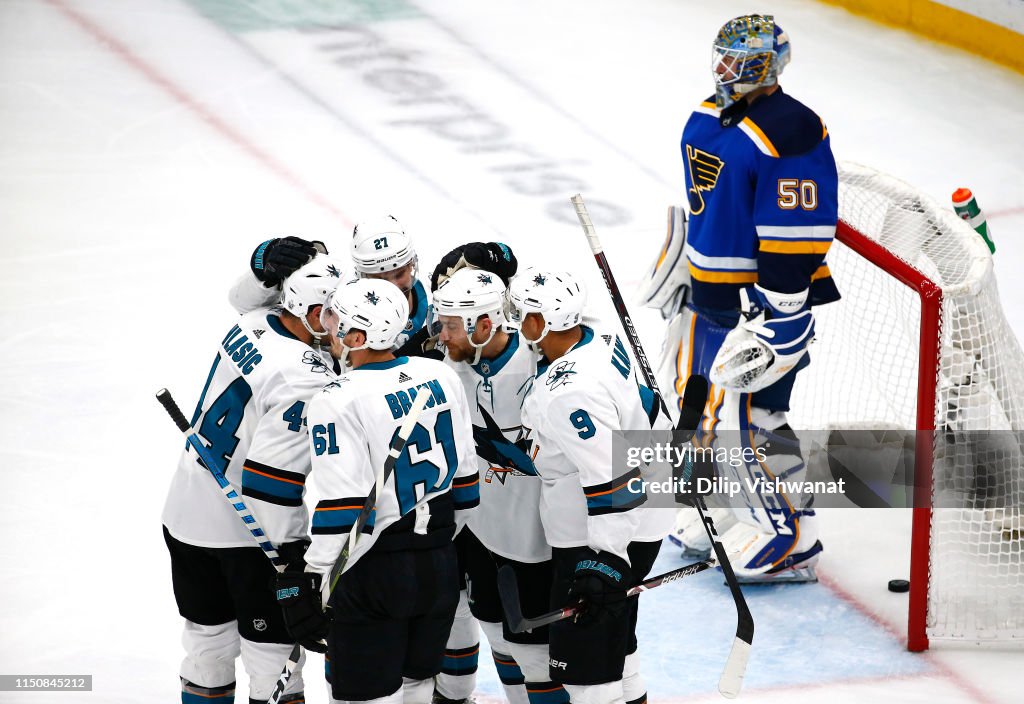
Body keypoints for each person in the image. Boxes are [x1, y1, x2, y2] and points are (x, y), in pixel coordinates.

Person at [638, 14, 839, 580]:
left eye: (741, 61)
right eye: (721, 57)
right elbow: (708, 206)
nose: (727, 71)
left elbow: (798, 229)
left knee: (755, 418)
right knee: (701, 407)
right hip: (710, 295)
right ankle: (733, 509)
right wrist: (686, 263)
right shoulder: (708, 114)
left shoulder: (793, 130)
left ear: (771, 65)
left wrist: (783, 307)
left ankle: (791, 533)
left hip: (762, 301)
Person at [272, 277, 481, 704]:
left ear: (358, 335)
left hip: (373, 574)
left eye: (337, 323)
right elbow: (466, 487)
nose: (328, 330)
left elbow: (342, 505)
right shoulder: (440, 375)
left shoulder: (337, 398)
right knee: (418, 691)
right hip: (439, 567)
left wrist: (315, 578)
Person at [161, 254, 347, 704]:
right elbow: (271, 483)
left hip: (185, 513)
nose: (344, 323)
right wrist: (293, 559)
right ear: (311, 313)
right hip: (248, 537)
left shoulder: (251, 323)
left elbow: (245, 297)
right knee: (273, 662)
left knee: (207, 648)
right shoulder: (305, 377)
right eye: (335, 314)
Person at [508, 269, 673, 704]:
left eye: (522, 313)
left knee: (585, 674)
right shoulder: (598, 339)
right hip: (645, 511)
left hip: (601, 536)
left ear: (542, 323)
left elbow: (613, 486)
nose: (514, 321)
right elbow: (646, 406)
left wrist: (603, 564)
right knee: (618, 645)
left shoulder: (567, 393)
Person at [431, 263, 569, 704]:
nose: (441, 335)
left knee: (540, 655)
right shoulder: (446, 369)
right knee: (493, 628)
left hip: (540, 541)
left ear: (485, 324)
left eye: (451, 326)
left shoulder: (544, 367)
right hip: (480, 529)